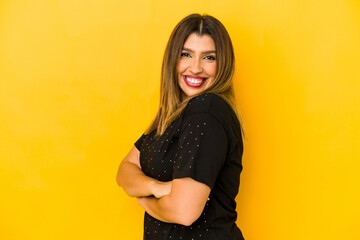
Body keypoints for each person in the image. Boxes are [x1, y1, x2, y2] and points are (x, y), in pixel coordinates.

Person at [116, 13, 245, 240]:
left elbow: (183, 212)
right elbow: (125, 170)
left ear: (223, 64)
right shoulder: (172, 117)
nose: (195, 68)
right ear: (172, 60)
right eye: (186, 55)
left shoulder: (206, 110)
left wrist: (146, 201)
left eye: (209, 58)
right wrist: (155, 187)